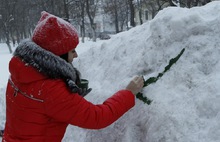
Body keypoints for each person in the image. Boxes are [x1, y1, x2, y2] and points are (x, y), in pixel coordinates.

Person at [2, 11, 144, 142]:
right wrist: (128, 93)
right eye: (72, 51)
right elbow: (97, 117)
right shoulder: (51, 90)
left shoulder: (21, 72)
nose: (76, 55)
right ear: (58, 54)